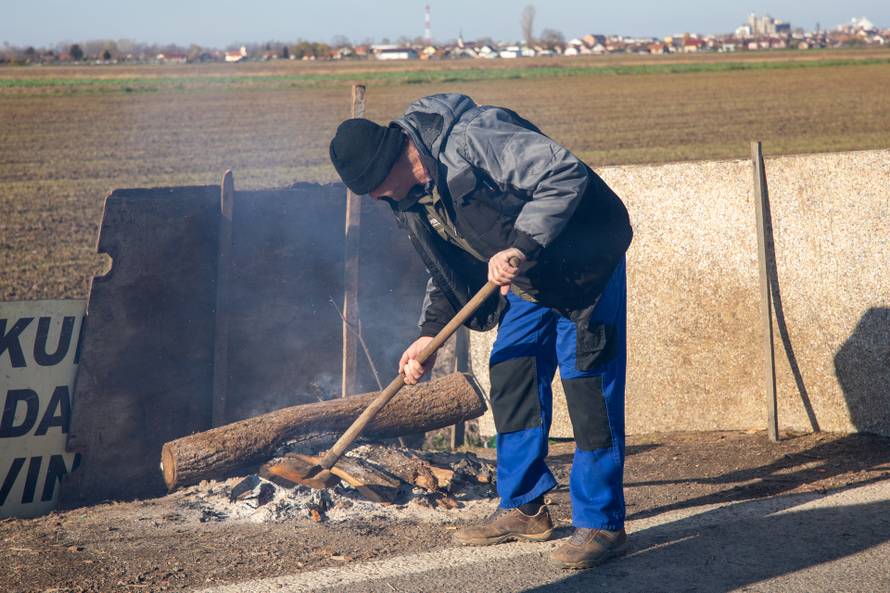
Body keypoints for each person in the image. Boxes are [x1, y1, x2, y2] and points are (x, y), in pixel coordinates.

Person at [328, 93, 632, 569]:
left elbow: (563, 173)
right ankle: (524, 506)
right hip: (529, 282)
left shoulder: (475, 137)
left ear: (396, 157)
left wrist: (520, 246)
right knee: (511, 374)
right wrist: (430, 336)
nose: (373, 198)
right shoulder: (409, 198)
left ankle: (602, 524)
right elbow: (448, 270)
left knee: (588, 387)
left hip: (583, 266)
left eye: (374, 186)